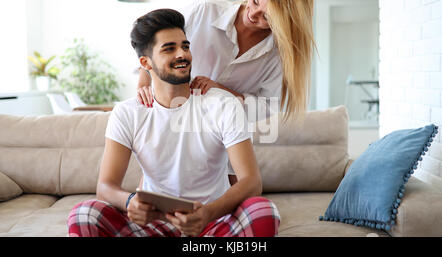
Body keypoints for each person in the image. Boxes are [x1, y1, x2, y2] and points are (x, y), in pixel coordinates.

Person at [67, 8, 280, 237]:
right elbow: (105, 186)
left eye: (185, 46)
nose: (182, 54)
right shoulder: (127, 113)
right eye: (169, 49)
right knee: (84, 214)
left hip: (211, 222)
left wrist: (207, 213)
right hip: (152, 225)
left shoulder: (223, 104)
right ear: (145, 63)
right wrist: (129, 202)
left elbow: (251, 181)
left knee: (263, 212)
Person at [136, 0, 315, 184]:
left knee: (232, 198)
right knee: (156, 192)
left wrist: (221, 91)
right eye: (254, 2)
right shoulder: (205, 12)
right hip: (178, 128)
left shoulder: (278, 55)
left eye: (267, 17)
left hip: (228, 144)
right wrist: (144, 79)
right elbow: (154, 39)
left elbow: (265, 109)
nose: (253, 14)